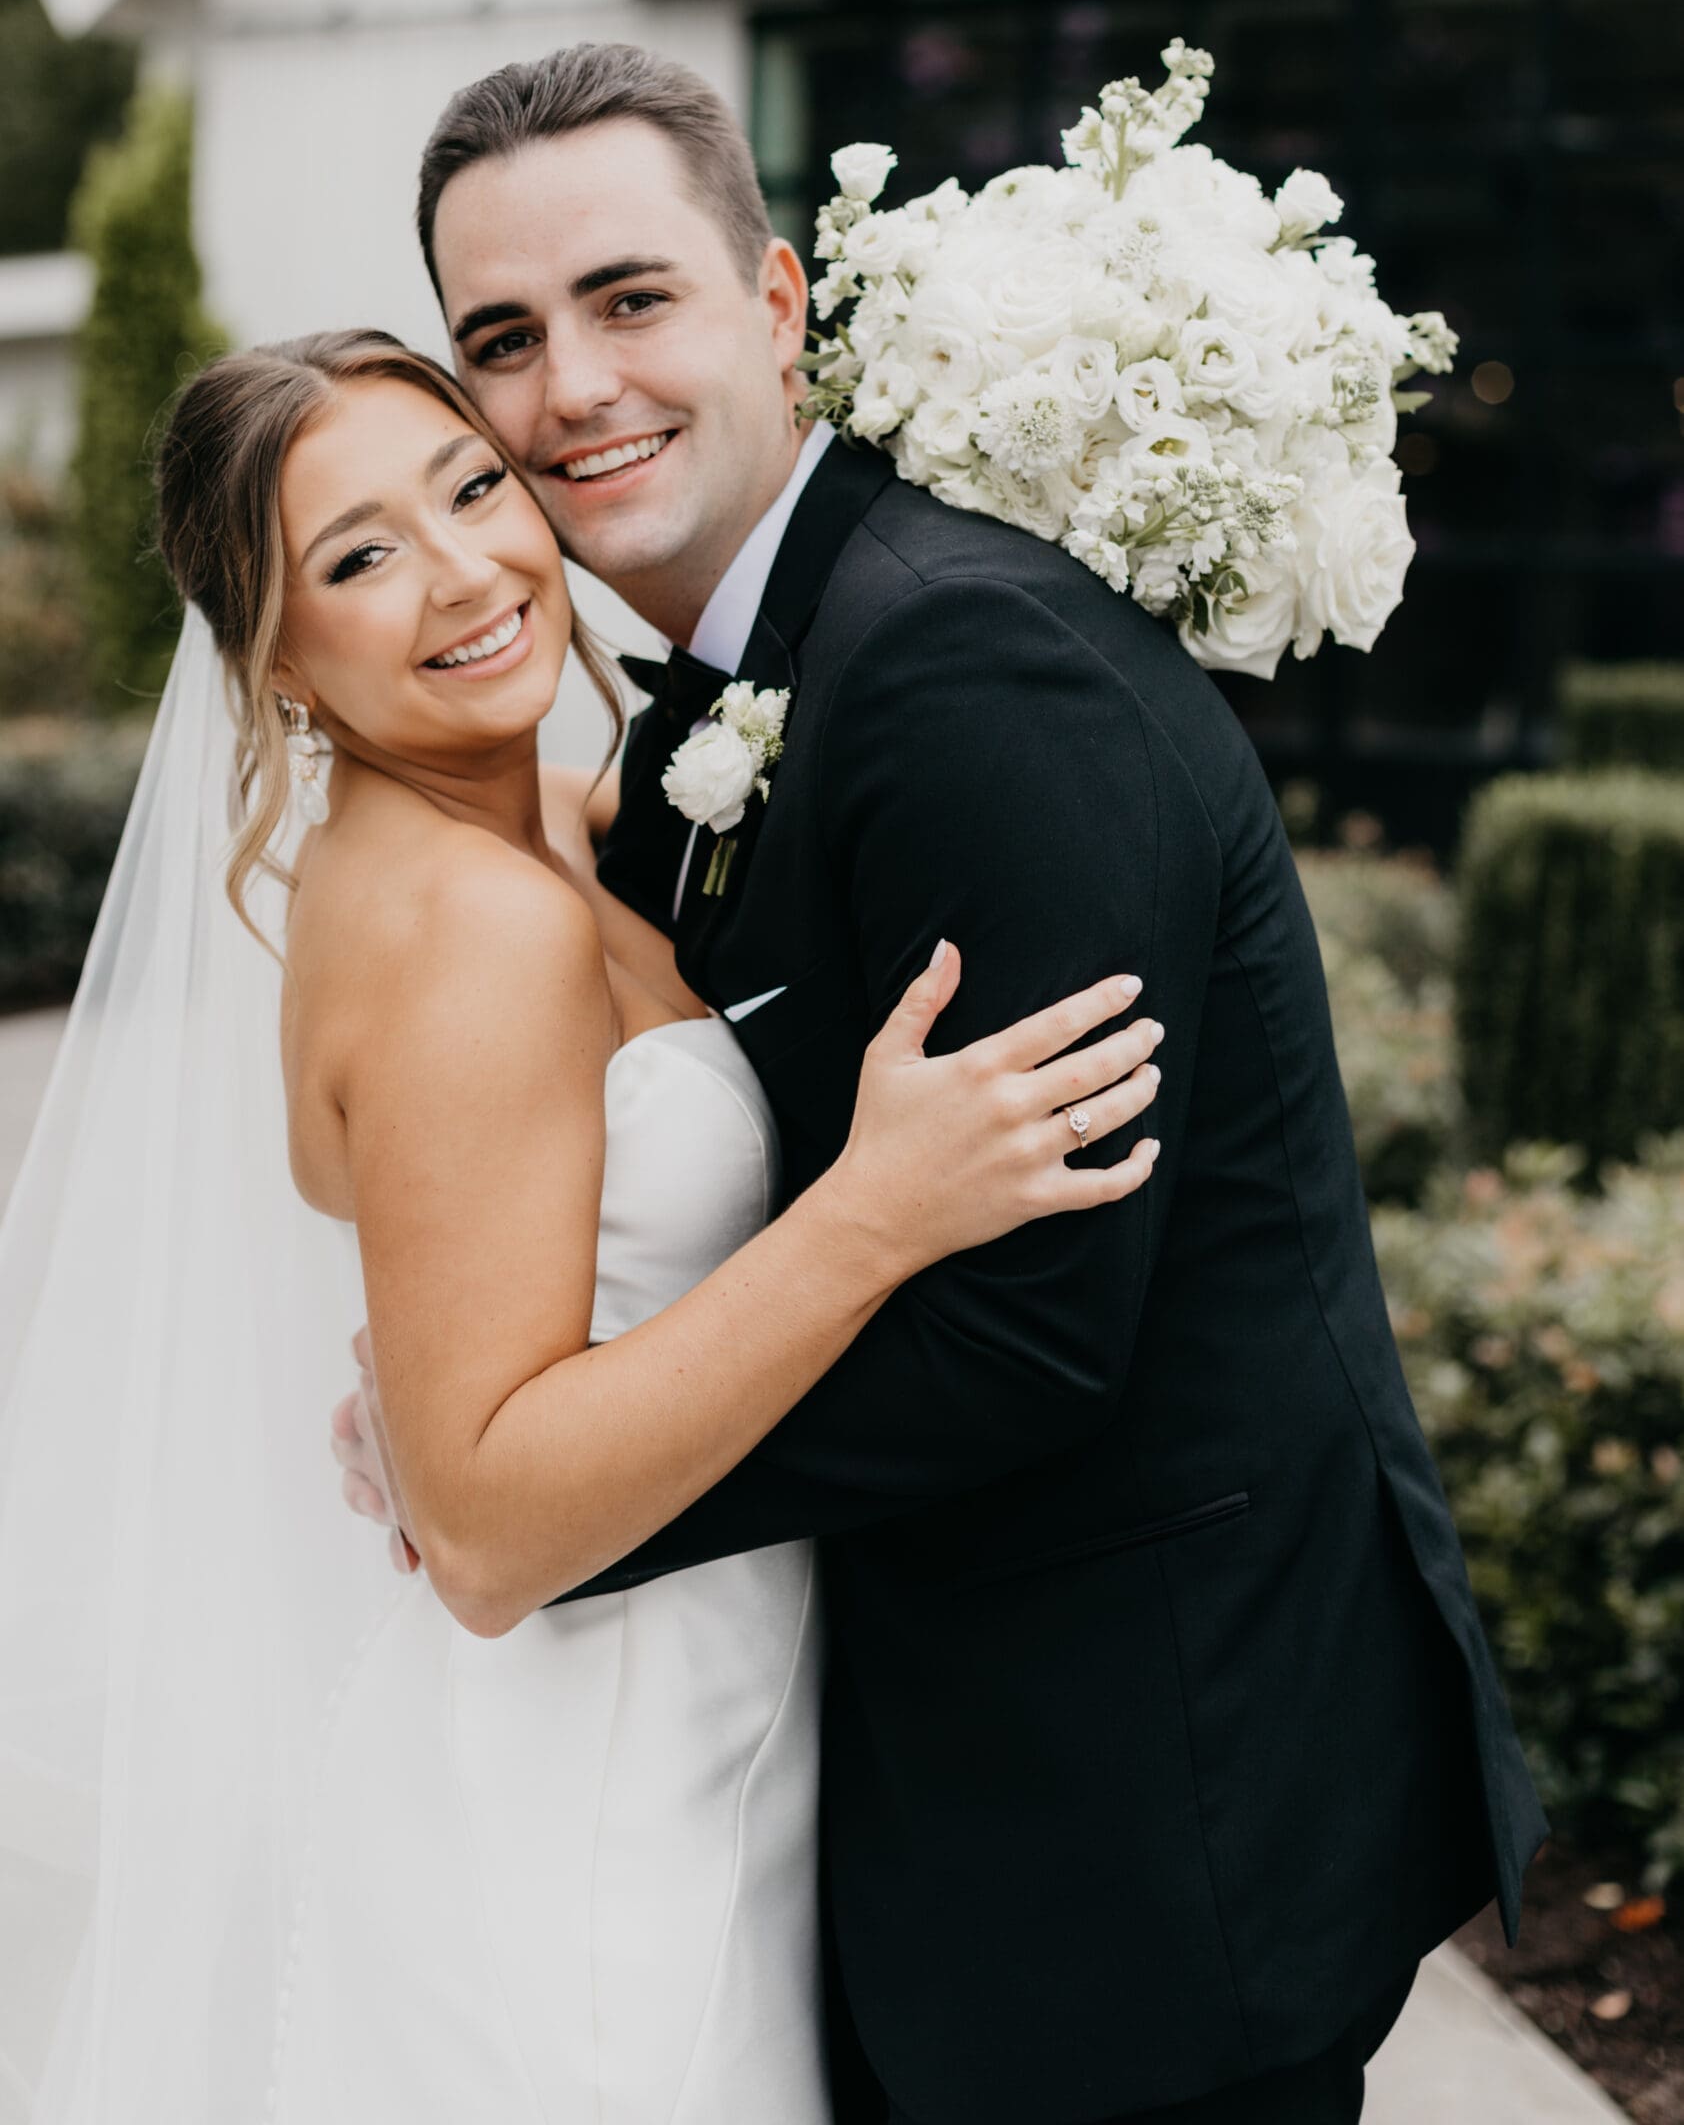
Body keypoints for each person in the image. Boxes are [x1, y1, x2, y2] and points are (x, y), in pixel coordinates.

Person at [334, 43, 1549, 2125]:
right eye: (504, 339)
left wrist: (526, 1493)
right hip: (966, 1794)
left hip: (1147, 1816)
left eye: (630, 300)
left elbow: (1027, 1326)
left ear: (775, 304)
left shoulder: (965, 663)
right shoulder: (742, 686)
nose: (571, 388)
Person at [0, 325, 1159, 2120]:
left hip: (683, 1731)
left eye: (473, 488)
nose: (466, 570)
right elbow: (481, 1534)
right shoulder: (472, 925)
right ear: (277, 659)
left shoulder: (550, 823)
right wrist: (873, 1211)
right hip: (585, 1812)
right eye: (360, 558)